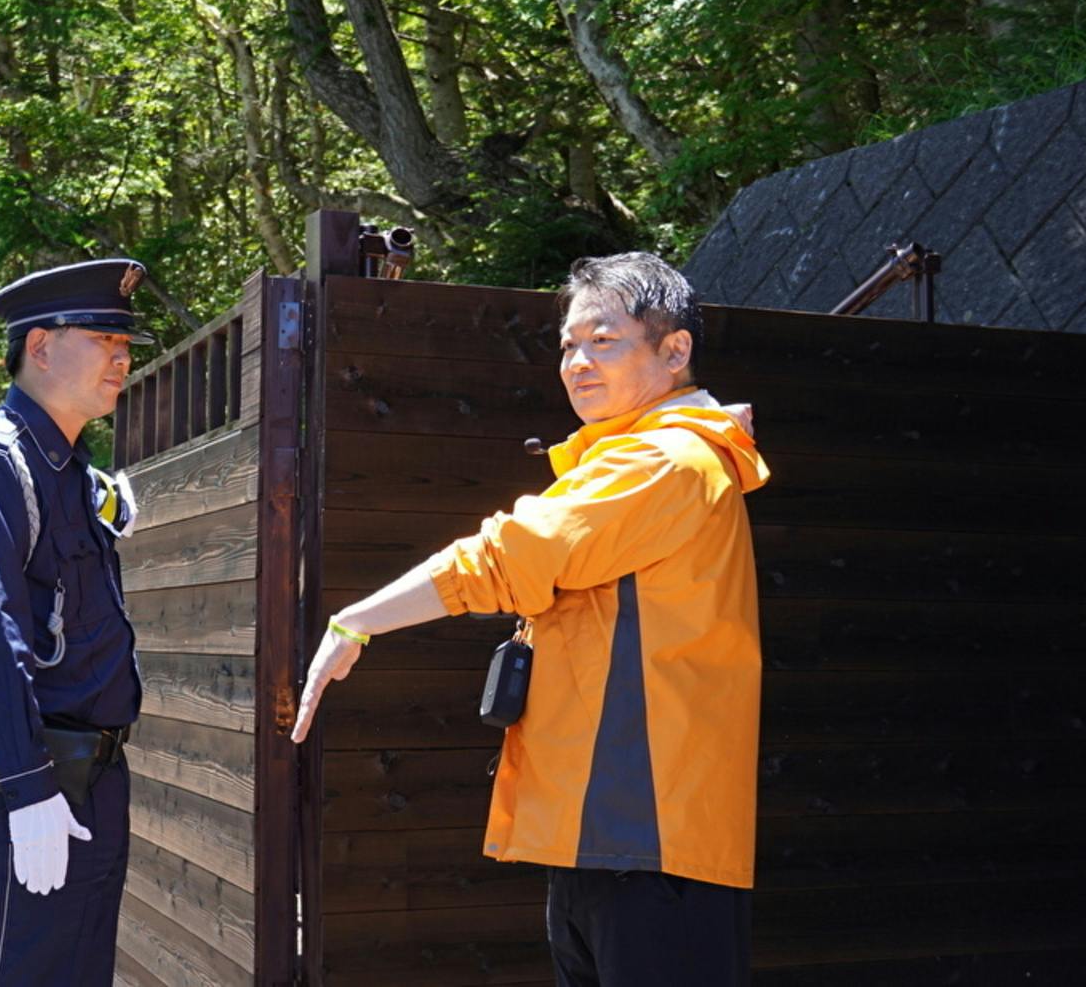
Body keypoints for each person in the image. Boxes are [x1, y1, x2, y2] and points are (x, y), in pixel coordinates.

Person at [290, 252, 770, 987]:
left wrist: (355, 623)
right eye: (568, 345)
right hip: (610, 841)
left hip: (648, 841)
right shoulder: (638, 457)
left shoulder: (667, 461)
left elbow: (506, 554)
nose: (577, 361)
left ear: (675, 351)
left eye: (602, 340)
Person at [0, 258, 152, 986]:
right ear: (41, 346)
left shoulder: (71, 470)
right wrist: (29, 789)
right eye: (102, 338)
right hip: (24, 786)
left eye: (126, 344)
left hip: (91, 781)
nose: (121, 357)